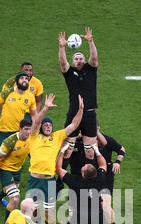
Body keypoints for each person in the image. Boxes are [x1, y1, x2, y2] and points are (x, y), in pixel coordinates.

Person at [0, 94, 57, 224]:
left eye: (30, 129)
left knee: (13, 190)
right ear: (20, 129)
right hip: (5, 170)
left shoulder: (31, 139)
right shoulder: (10, 141)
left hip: (17, 170)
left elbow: (33, 153)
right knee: (15, 199)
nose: (28, 131)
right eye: (25, 129)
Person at [26, 94, 84, 224]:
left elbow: (73, 125)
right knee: (32, 213)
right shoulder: (33, 137)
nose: (49, 126)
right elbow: (36, 122)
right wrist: (45, 108)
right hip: (34, 181)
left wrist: (80, 109)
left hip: (49, 181)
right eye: (46, 125)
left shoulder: (57, 137)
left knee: (48, 214)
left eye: (50, 125)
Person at [0, 71, 37, 202]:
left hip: (20, 132)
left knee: (21, 158)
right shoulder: (7, 92)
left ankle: (0, 196)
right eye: (22, 78)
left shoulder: (30, 97)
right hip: (4, 131)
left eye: (27, 79)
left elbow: (33, 113)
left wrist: (34, 127)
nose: (25, 80)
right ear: (17, 80)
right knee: (0, 158)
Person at [58, 27, 98, 160]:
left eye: (81, 58)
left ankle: (91, 180)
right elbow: (63, 64)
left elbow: (94, 58)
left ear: (84, 61)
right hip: (74, 112)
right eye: (76, 59)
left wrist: (90, 42)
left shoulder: (90, 70)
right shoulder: (70, 73)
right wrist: (62, 47)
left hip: (89, 114)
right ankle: (55, 181)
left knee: (90, 152)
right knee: (67, 150)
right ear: (73, 62)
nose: (79, 60)